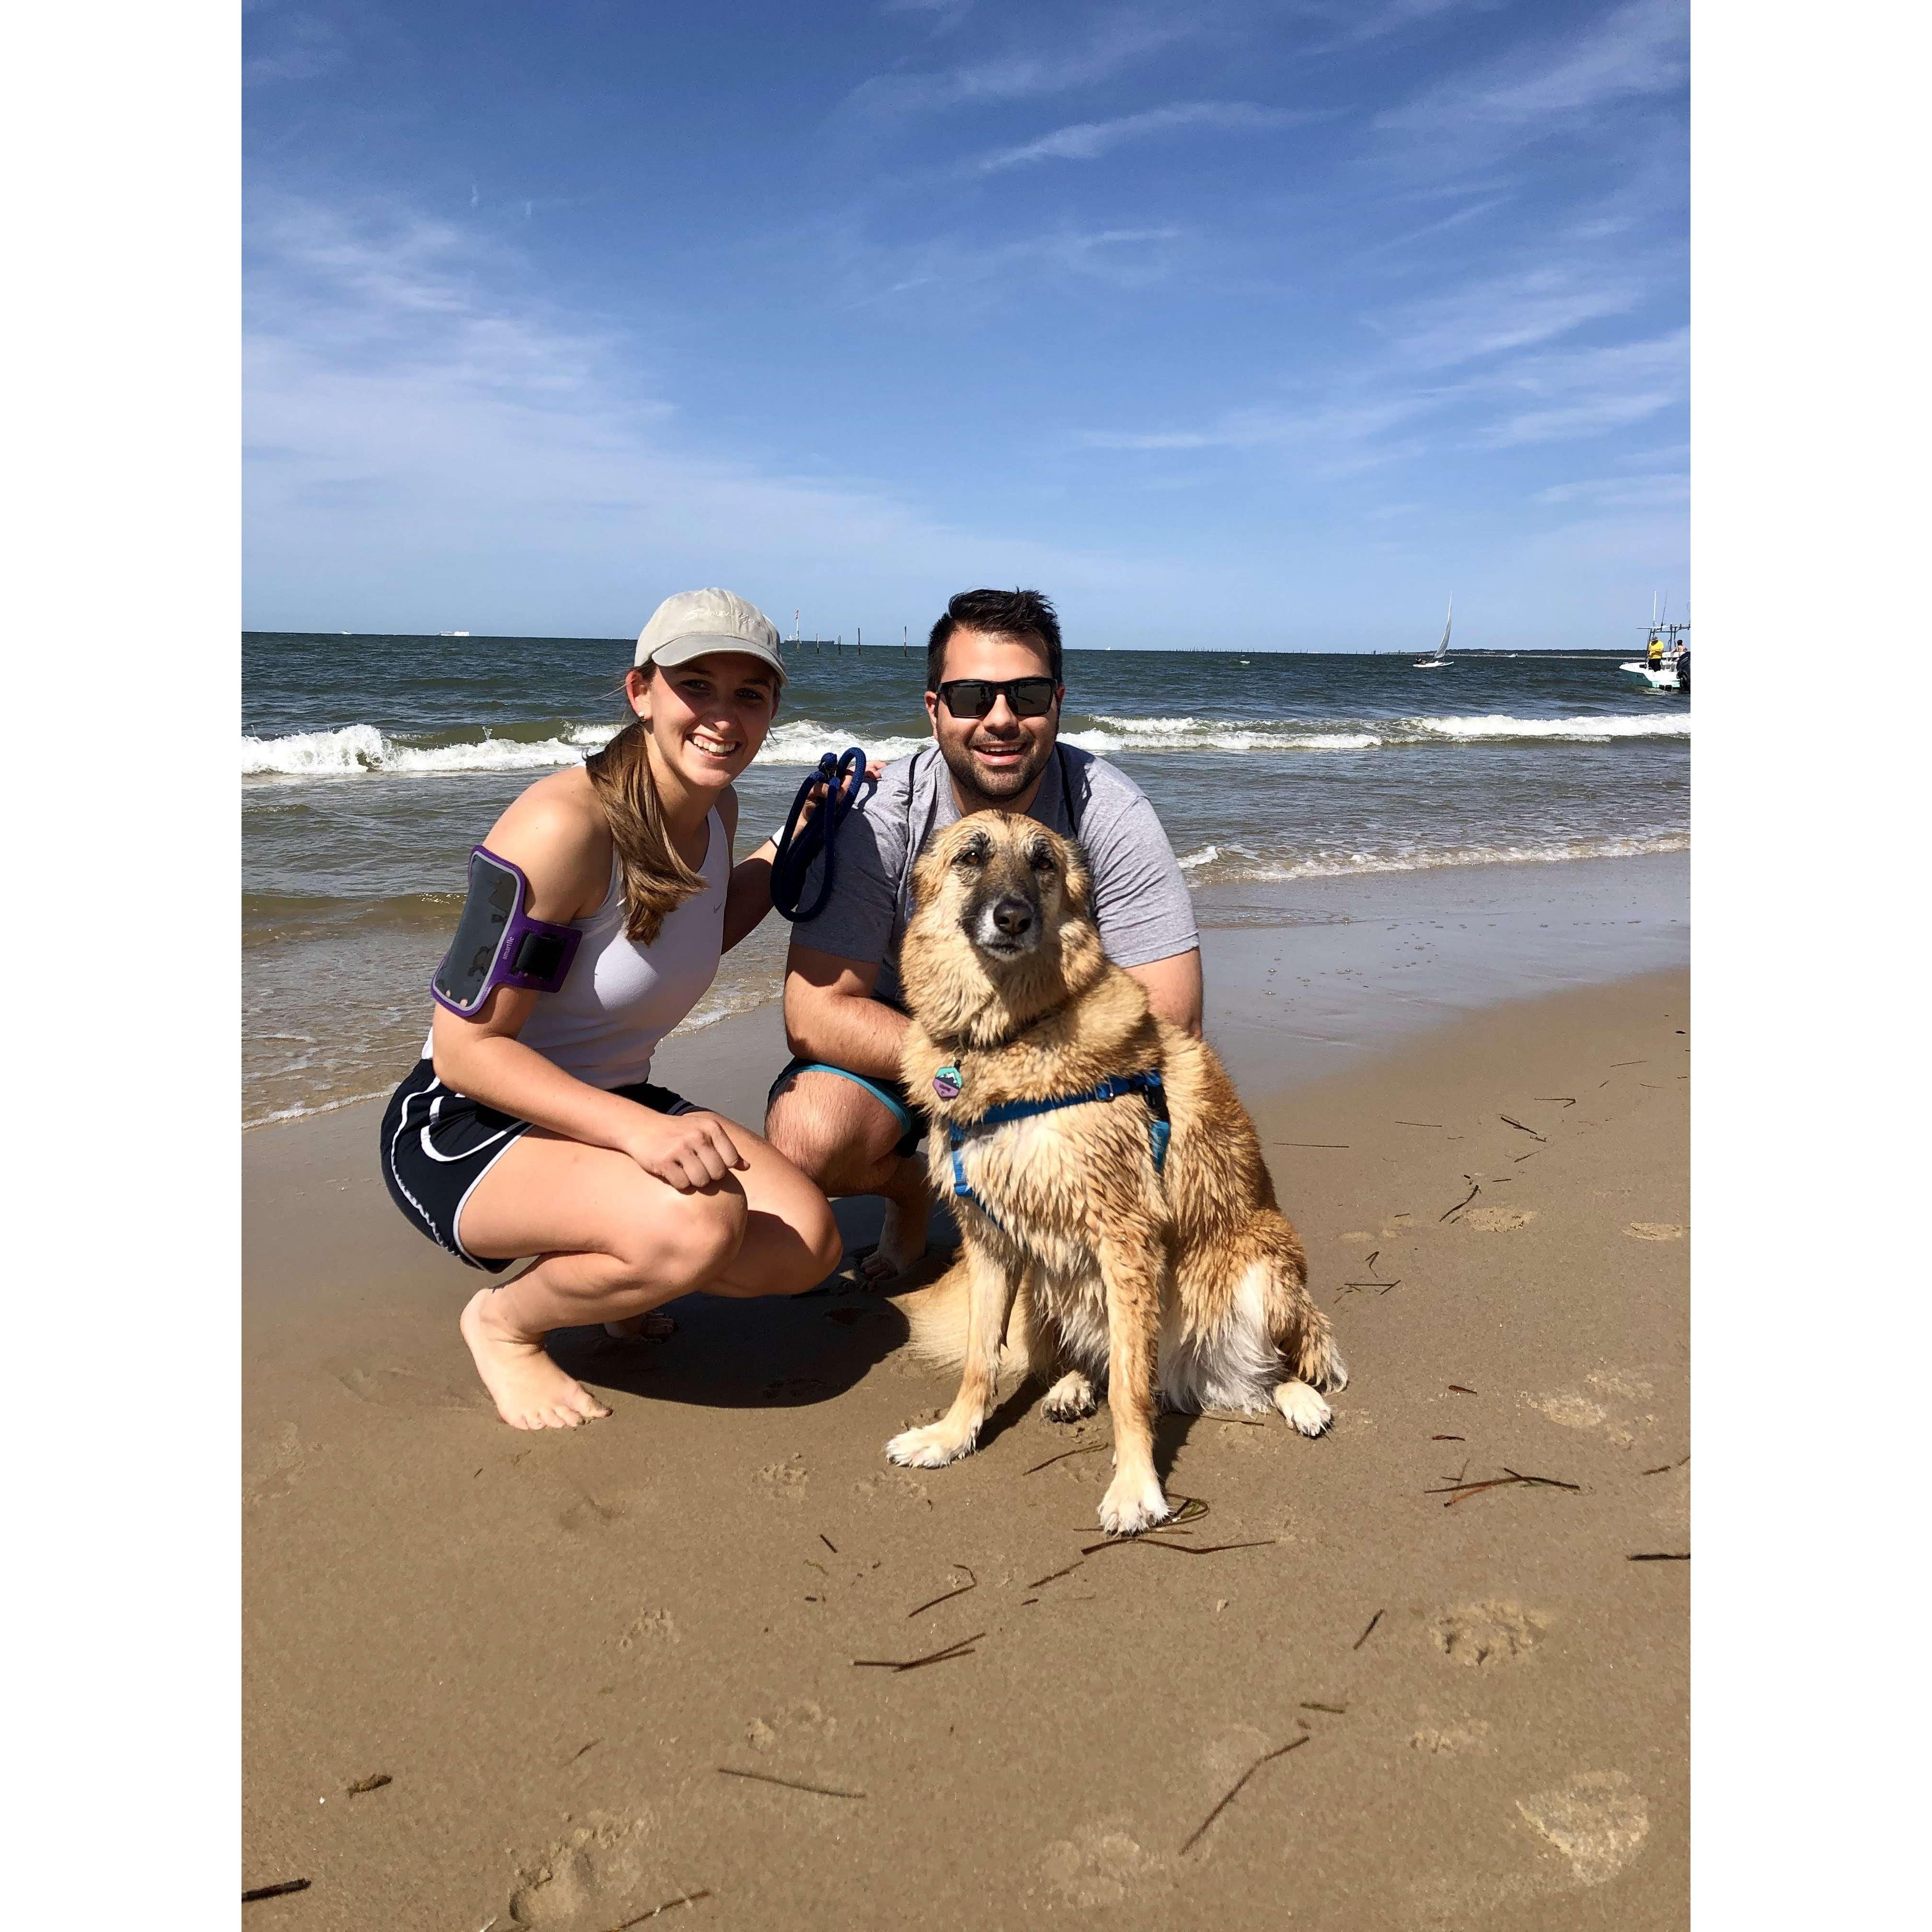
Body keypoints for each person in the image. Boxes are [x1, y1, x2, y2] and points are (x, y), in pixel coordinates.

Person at [380, 588, 845, 1431]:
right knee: (700, 1227)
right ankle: (506, 1325)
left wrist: (794, 842)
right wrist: (640, 1134)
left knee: (806, 1245)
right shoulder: (561, 827)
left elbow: (690, 935)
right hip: (467, 1124)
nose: (722, 717)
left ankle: (621, 1262)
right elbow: (466, 1053)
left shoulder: (715, 809)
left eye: (750, 694)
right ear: (642, 692)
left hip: (611, 1105)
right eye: (695, 685)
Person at [764, 586, 1202, 1283]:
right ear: (934, 708)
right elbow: (816, 1015)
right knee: (811, 1135)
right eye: (972, 697)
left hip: (1058, 1058)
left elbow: (1171, 1014)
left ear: (1056, 702)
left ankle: (1027, 1211)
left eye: (1025, 696)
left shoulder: (1112, 811)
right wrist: (966, 1075)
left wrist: (1034, 1084)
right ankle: (912, 1192)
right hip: (920, 1055)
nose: (1001, 720)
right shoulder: (878, 818)